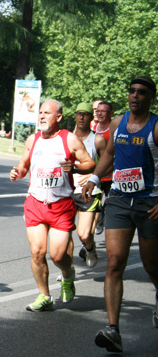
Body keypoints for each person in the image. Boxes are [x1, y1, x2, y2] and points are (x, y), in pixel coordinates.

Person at [83, 76, 158, 353]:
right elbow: (109, 155)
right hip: (119, 200)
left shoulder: (155, 126)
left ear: (150, 97)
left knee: (152, 265)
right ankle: (113, 330)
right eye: (132, 91)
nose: (135, 96)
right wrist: (93, 178)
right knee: (114, 262)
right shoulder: (118, 124)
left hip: (149, 203)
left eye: (141, 92)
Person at [9, 99, 94, 312]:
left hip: (61, 205)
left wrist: (74, 167)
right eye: (40, 112)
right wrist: (17, 172)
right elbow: (23, 165)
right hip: (36, 203)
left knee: (57, 255)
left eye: (47, 113)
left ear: (58, 117)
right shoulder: (33, 140)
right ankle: (44, 296)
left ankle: (67, 275)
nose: (41, 116)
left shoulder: (69, 139)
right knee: (37, 252)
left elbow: (90, 163)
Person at [70, 102, 106, 268]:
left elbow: (109, 163)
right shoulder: (67, 138)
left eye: (85, 114)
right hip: (68, 190)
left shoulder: (97, 139)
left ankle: (90, 249)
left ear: (91, 118)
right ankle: (67, 272)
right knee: (64, 234)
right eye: (79, 114)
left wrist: (93, 175)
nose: (82, 117)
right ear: (75, 116)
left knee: (84, 234)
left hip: (89, 191)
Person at [93, 100, 114, 236]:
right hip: (95, 175)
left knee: (110, 204)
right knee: (95, 205)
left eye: (103, 111)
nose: (99, 114)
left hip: (112, 175)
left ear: (110, 113)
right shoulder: (92, 129)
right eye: (97, 111)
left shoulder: (114, 129)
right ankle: (99, 220)